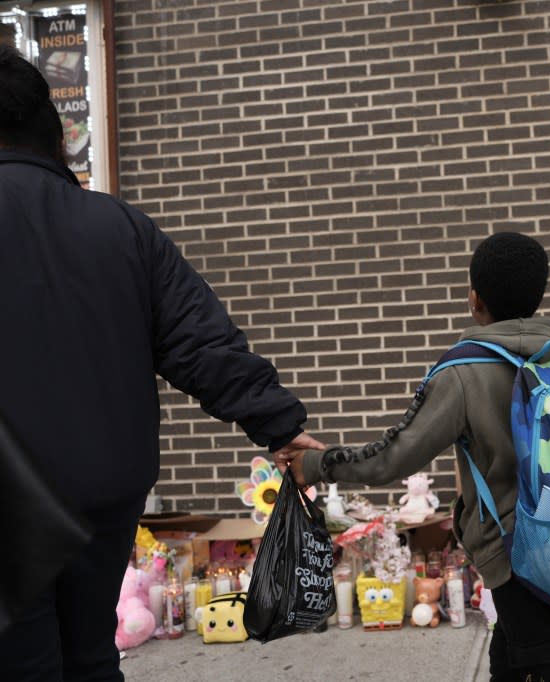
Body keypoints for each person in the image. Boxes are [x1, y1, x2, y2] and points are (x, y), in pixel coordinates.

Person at [0, 46, 323, 679]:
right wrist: (280, 427)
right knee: (92, 654)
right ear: (51, 131)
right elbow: (201, 343)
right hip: (101, 491)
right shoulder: (121, 229)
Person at [284, 233, 550, 681]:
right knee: (515, 656)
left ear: (475, 300)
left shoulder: (464, 372)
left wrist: (315, 464)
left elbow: (394, 456)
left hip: (515, 554)